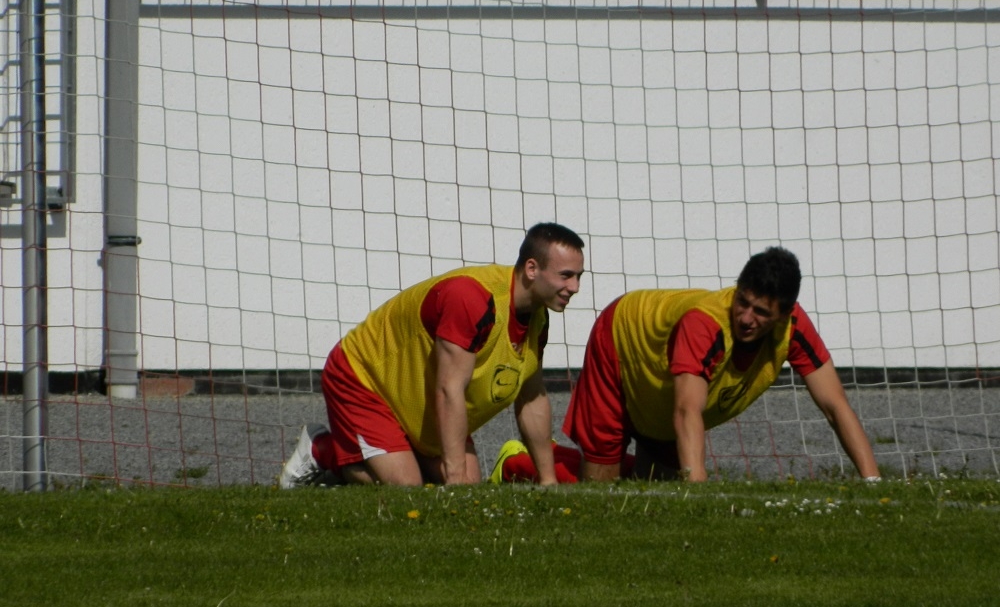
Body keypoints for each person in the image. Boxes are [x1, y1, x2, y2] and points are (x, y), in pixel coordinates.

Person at [491, 246, 881, 483]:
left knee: (656, 487)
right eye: (742, 302)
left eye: (761, 312)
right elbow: (687, 411)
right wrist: (699, 494)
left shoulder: (794, 328)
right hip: (619, 344)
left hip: (660, 379)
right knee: (599, 491)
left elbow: (835, 405)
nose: (746, 318)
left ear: (784, 313)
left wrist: (872, 483)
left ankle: (561, 457)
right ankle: (516, 462)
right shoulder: (705, 324)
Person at [279, 222, 586, 488]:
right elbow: (449, 389)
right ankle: (323, 450)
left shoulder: (538, 317)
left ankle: (388, 454)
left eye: (578, 277)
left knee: (468, 483)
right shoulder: (472, 298)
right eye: (566, 276)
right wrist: (454, 482)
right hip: (364, 377)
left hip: (414, 396)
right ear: (532, 269)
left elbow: (532, 397)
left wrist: (548, 480)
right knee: (408, 486)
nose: (574, 287)